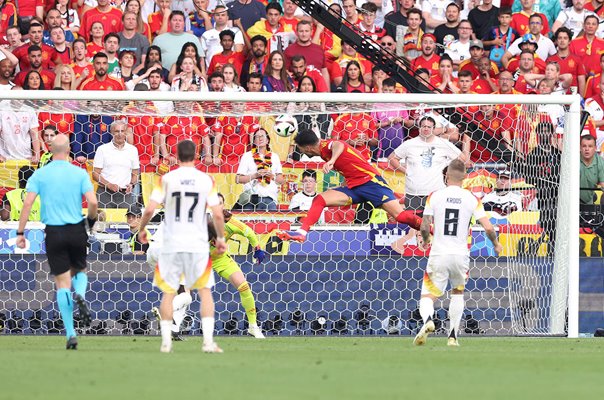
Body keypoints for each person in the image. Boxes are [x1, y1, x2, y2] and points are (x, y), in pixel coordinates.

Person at [138, 139, 227, 353]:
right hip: (194, 243)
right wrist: (221, 238)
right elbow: (216, 213)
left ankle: (168, 340)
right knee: (204, 292)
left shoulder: (167, 178)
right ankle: (208, 342)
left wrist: (142, 229)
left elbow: (149, 209)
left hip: (167, 242)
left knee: (171, 292)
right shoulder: (206, 180)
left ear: (176, 156)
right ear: (196, 156)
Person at [16, 135, 98, 350]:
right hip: (76, 228)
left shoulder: (40, 174)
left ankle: (71, 334)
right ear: (69, 148)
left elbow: (27, 203)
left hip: (53, 231)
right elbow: (93, 201)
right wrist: (89, 221)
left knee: (62, 283)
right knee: (80, 271)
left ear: (50, 149)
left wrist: (20, 232)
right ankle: (80, 294)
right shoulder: (79, 172)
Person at [276, 129, 423, 243]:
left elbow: (340, 144)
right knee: (319, 199)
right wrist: (342, 185)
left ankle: (430, 229)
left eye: (300, 148)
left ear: (307, 148)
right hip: (355, 187)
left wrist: (332, 160)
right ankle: (302, 233)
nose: (300, 151)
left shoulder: (327, 146)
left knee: (400, 216)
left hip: (371, 183)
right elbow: (348, 167)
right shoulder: (322, 152)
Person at [414, 159, 502, 347]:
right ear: (464, 177)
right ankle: (453, 336)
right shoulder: (472, 198)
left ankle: (429, 320)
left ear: (446, 176)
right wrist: (496, 244)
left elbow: (424, 224)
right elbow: (488, 227)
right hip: (461, 255)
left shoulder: (434, 196)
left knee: (427, 296)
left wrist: (426, 238)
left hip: (439, 253)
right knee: (458, 292)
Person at [208, 193, 267, 338]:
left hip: (220, 259)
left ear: (223, 205)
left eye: (220, 203)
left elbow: (249, 232)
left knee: (244, 287)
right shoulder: (199, 219)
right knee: (186, 292)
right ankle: (174, 323)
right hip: (198, 259)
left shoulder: (230, 222)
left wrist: (257, 248)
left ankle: (253, 326)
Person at [388, 116, 464, 212]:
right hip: (414, 193)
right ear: (419, 128)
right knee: (414, 224)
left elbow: (462, 159)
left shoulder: (443, 143)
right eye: (423, 126)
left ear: (434, 129)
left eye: (429, 127)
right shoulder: (409, 144)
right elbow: (392, 158)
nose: (426, 129)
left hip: (437, 193)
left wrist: (447, 173)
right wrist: (406, 171)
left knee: (435, 225)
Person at [92, 120, 140, 208]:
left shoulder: (133, 150)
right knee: (103, 221)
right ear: (111, 133)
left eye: (122, 131)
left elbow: (135, 174)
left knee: (126, 221)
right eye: (117, 131)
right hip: (104, 194)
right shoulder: (102, 149)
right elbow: (95, 174)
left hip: (125, 195)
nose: (120, 134)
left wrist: (132, 184)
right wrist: (108, 185)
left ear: (126, 133)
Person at [235, 127, 284, 211]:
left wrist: (271, 176)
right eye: (257, 137)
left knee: (271, 224)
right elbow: (238, 179)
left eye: (262, 136)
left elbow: (281, 181)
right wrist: (255, 175)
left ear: (268, 140)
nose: (260, 138)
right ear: (254, 141)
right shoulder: (247, 156)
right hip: (250, 199)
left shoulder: (275, 157)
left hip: (269, 198)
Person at [580, 135, 604, 205]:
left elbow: (603, 184)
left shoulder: (601, 162)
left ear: (595, 148)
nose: (587, 149)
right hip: (572, 199)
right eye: (584, 146)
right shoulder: (573, 160)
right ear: (580, 147)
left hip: (591, 200)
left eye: (590, 146)